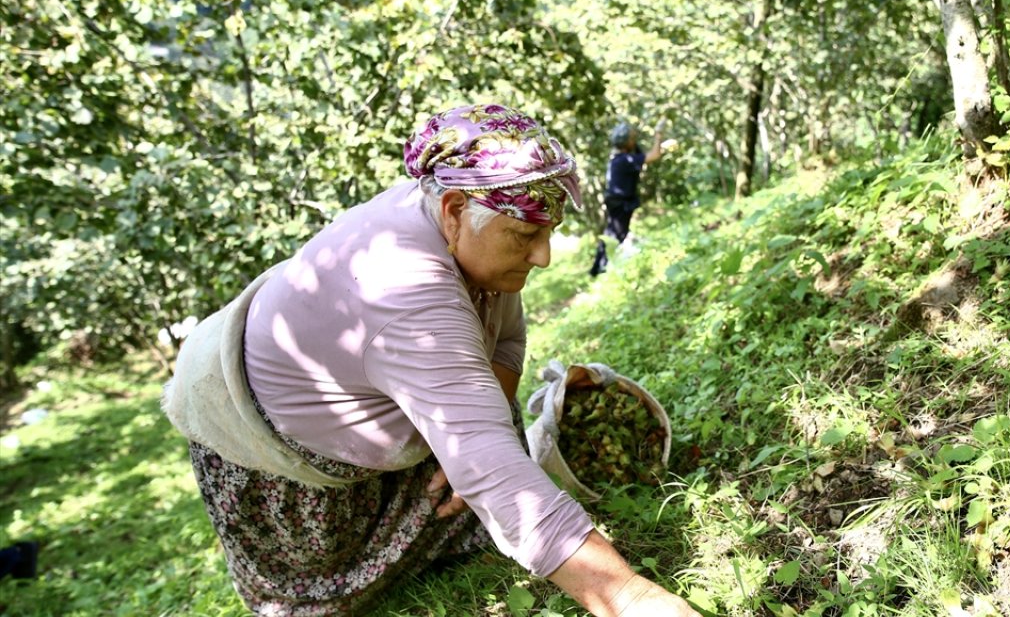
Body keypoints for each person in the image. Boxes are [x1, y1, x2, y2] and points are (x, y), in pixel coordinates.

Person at [162, 104, 698, 616]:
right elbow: (494, 473)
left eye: (549, 233)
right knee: (316, 590)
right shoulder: (408, 292)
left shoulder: (468, 216)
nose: (544, 257)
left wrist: (463, 450)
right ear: (453, 212)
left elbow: (507, 344)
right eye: (527, 235)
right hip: (265, 436)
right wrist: (624, 597)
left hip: (368, 392)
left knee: (481, 447)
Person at [588, 119, 673, 276]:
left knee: (612, 234)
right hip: (620, 202)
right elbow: (653, 155)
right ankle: (601, 268)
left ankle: (597, 268)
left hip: (617, 201)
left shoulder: (621, 157)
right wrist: (658, 135)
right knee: (615, 236)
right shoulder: (624, 160)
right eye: (631, 139)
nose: (634, 141)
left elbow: (642, 154)